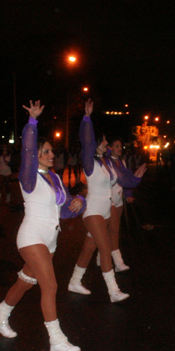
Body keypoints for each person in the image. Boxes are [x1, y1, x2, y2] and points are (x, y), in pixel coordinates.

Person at [0, 100, 86, 351]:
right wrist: (32, 122)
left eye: (52, 151)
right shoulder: (28, 175)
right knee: (50, 286)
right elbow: (28, 150)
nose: (51, 155)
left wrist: (79, 201)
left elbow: (64, 210)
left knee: (26, 282)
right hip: (32, 237)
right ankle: (56, 339)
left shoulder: (54, 178)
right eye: (46, 152)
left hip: (51, 238)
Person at [67, 100, 146, 302]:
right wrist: (87, 118)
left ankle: (74, 281)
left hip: (106, 211)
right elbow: (86, 140)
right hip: (93, 210)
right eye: (102, 141)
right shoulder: (89, 161)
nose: (105, 144)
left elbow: (124, 177)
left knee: (89, 247)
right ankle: (113, 291)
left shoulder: (109, 163)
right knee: (104, 248)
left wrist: (135, 178)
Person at [103, 138, 144, 271]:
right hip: (109, 200)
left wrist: (128, 195)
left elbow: (126, 180)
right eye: (116, 146)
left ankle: (101, 256)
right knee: (114, 231)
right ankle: (118, 262)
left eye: (121, 146)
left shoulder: (122, 162)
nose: (119, 148)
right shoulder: (107, 163)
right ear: (110, 148)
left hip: (119, 199)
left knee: (109, 229)